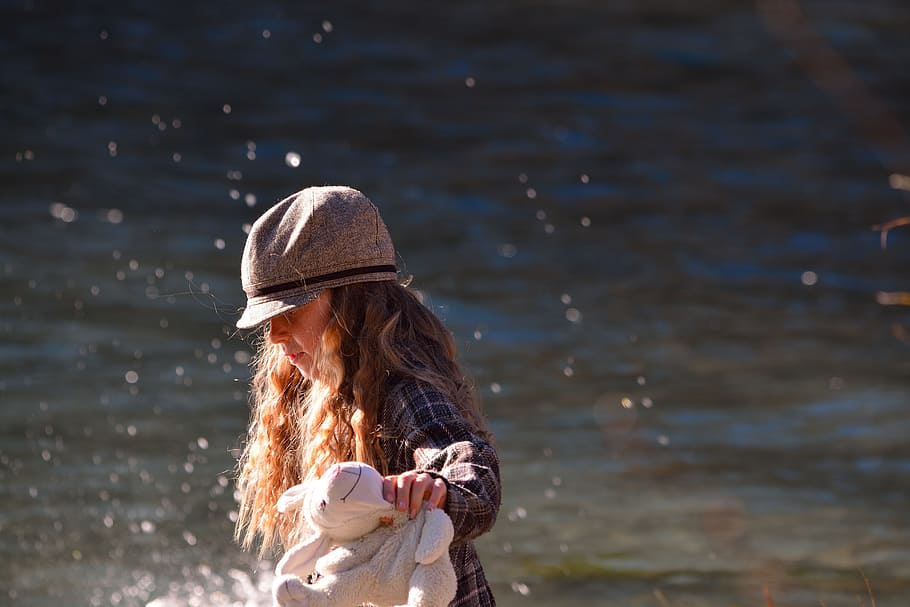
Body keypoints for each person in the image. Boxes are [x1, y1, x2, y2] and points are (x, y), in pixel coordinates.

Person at [233, 185, 501, 606]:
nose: (274, 334)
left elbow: (470, 465)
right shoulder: (318, 385)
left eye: (290, 312)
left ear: (351, 303)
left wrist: (436, 486)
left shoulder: (403, 389)